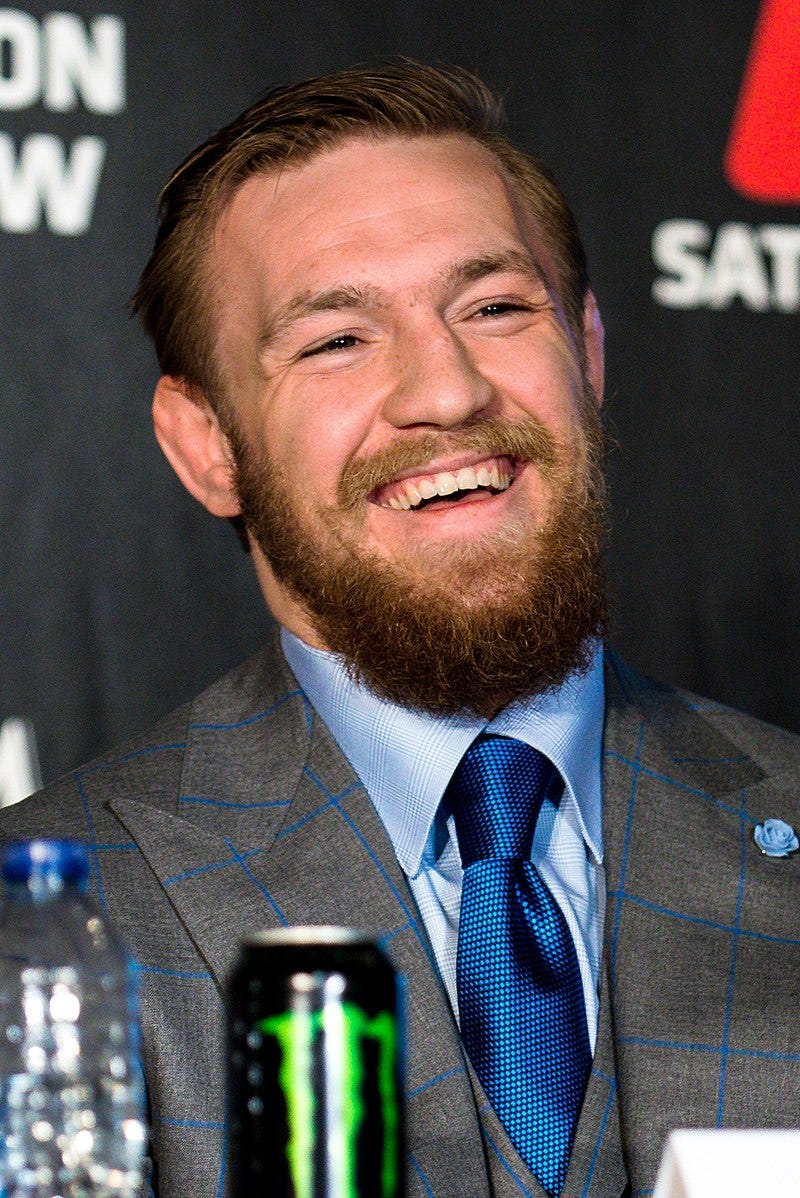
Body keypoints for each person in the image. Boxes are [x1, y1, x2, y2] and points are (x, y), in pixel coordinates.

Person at [3, 60, 800, 1198]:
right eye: (336, 339)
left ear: (586, 350)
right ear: (207, 444)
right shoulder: (39, 932)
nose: (447, 391)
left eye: (494, 309)